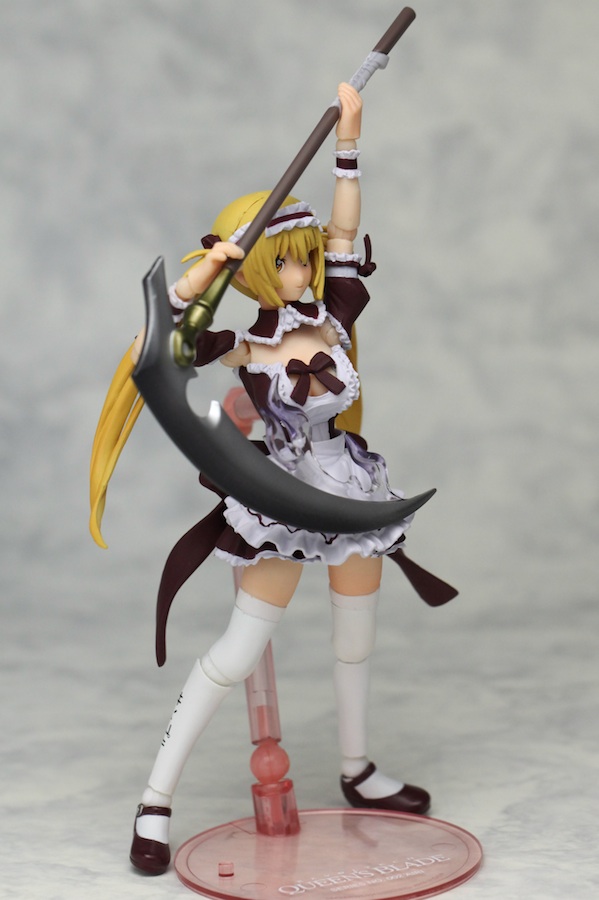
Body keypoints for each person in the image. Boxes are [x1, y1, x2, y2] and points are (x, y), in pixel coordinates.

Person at [91, 83, 455, 877]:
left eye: (304, 257)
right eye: (283, 260)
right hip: (281, 496)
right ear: (258, 269)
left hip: (346, 482)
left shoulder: (333, 315)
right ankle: (154, 800)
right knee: (238, 649)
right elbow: (166, 339)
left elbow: (345, 229)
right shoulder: (246, 343)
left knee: (356, 634)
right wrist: (204, 274)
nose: (300, 270)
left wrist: (348, 143)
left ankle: (356, 768)